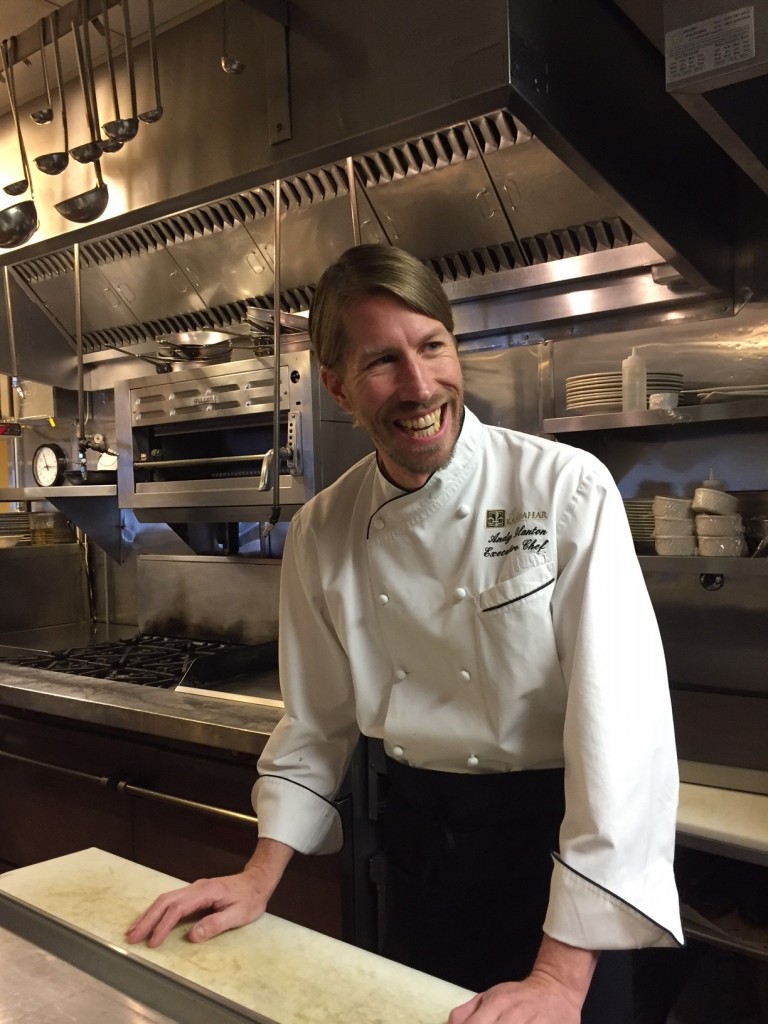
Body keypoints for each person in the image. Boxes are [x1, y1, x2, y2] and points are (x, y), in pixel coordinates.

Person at [127, 244, 683, 1022]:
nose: (420, 387)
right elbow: (317, 723)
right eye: (383, 360)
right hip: (424, 855)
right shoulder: (324, 529)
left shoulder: (563, 488)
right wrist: (257, 875)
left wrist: (559, 974)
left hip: (559, 866)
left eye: (432, 347)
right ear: (338, 386)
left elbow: (623, 735)